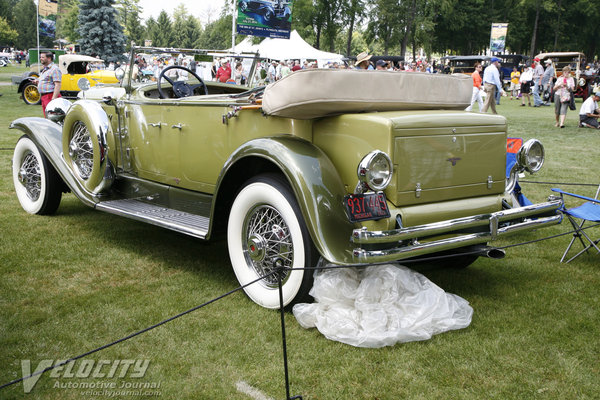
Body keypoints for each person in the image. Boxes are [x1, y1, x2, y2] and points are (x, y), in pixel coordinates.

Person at [36, 51, 61, 117]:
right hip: (44, 96)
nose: (40, 58)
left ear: (49, 58)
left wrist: (53, 99)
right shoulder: (46, 69)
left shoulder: (54, 69)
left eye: (43, 57)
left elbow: (57, 84)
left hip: (50, 96)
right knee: (47, 117)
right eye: (40, 57)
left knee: (52, 117)